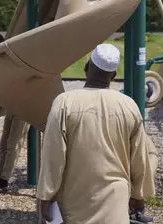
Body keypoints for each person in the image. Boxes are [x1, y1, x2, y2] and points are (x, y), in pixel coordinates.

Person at [36, 43, 154, 224]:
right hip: (115, 201)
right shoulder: (129, 106)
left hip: (74, 202)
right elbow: (140, 158)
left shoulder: (65, 103)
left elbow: (53, 155)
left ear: (86, 67)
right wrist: (138, 195)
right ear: (113, 76)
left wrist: (45, 195)